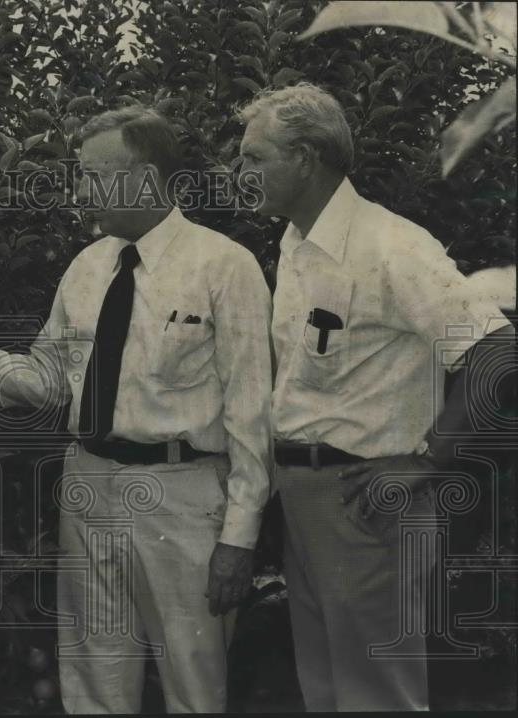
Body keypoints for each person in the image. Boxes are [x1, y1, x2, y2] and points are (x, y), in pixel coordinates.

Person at [0, 106, 273, 713]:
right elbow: (45, 383)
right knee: (93, 679)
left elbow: (252, 415)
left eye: (93, 175)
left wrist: (240, 538)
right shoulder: (88, 269)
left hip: (184, 495)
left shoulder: (224, 268)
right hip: (88, 486)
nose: (80, 189)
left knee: (195, 686)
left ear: (144, 175)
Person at [237, 82, 514, 711]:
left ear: (305, 157)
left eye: (254, 158)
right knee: (328, 692)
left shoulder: (392, 246)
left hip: (366, 503)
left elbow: (496, 351)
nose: (240, 172)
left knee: (377, 699)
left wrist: (429, 458)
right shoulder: (296, 245)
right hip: (306, 500)